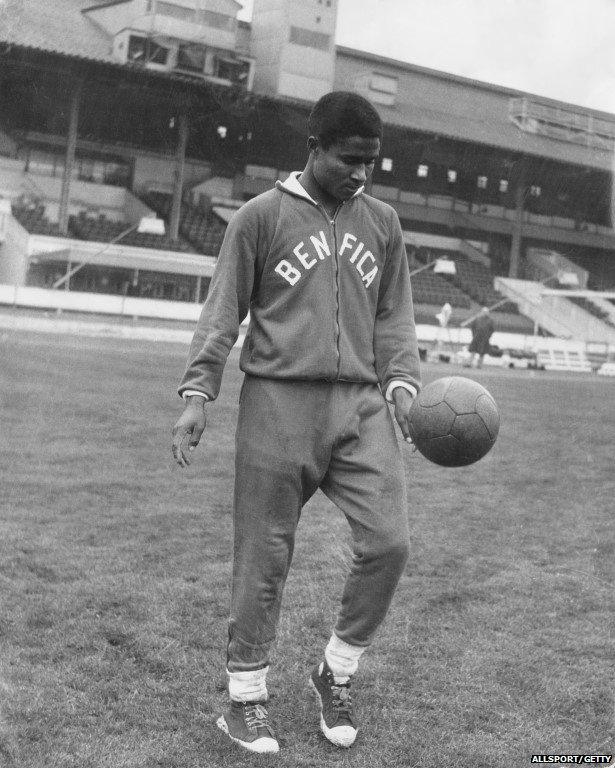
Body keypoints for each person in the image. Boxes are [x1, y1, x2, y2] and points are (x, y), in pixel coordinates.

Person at [171, 91, 421, 755]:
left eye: (371, 162)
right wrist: (198, 391)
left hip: (361, 405)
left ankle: (334, 672)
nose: (360, 174)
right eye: (349, 159)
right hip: (278, 403)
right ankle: (244, 702)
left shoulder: (382, 223)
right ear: (312, 148)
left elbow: (394, 315)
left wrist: (401, 386)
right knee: (263, 558)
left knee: (389, 542)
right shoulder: (259, 218)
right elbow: (223, 309)